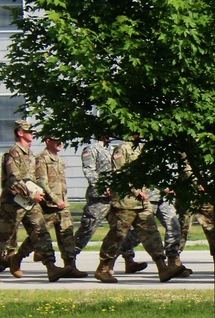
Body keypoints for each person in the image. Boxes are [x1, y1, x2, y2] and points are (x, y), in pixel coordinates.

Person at [94, 137, 185, 283]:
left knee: (151, 234)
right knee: (118, 235)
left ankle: (162, 267)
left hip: (142, 201)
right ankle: (103, 268)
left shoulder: (142, 148)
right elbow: (119, 174)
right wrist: (136, 191)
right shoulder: (123, 148)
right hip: (126, 201)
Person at [0, 119, 66, 281]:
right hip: (12, 204)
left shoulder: (30, 154)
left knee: (41, 232)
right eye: (30, 131)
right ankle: (9, 261)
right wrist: (31, 194)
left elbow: (33, 178)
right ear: (20, 133)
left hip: (29, 203)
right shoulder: (13, 153)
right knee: (3, 237)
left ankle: (51, 267)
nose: (33, 134)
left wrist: (40, 195)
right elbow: (14, 179)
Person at [74, 137, 146, 273]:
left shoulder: (113, 149)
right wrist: (102, 186)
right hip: (99, 198)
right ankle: (69, 260)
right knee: (87, 229)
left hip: (114, 197)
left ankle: (128, 259)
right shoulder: (91, 149)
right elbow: (89, 171)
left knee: (120, 230)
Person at [33, 136, 87, 277]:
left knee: (67, 235)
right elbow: (42, 183)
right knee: (38, 235)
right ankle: (17, 257)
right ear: (48, 141)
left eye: (61, 140)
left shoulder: (59, 160)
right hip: (50, 205)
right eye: (56, 140)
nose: (60, 143)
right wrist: (56, 200)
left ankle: (70, 266)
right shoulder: (42, 159)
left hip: (63, 204)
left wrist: (62, 200)